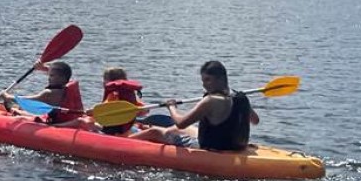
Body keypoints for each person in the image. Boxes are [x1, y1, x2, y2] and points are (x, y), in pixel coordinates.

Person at [131, 60, 259, 150]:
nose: (204, 85)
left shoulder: (210, 100)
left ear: (221, 78)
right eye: (203, 81)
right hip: (236, 145)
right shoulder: (241, 97)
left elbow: (181, 123)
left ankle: (121, 142)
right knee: (175, 130)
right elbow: (255, 121)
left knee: (155, 131)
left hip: (215, 148)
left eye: (208, 80)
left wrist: (171, 107)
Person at [0, 59, 84, 124]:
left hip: (57, 123)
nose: (48, 77)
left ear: (62, 78)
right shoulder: (67, 85)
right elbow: (61, 74)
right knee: (31, 112)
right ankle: (14, 108)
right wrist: (43, 68)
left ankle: (13, 109)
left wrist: (7, 97)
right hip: (70, 118)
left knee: (23, 115)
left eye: (51, 75)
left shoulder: (49, 93)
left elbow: (27, 100)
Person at [99, 66, 144, 135]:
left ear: (108, 81)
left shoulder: (113, 94)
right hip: (128, 128)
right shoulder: (127, 92)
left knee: (86, 123)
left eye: (104, 79)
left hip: (116, 131)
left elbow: (101, 111)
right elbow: (143, 111)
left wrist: (90, 111)